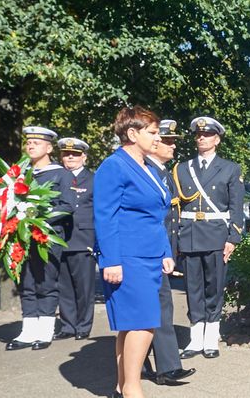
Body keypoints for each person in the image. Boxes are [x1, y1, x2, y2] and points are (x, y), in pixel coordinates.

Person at [94, 106, 174, 398]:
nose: (158, 138)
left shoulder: (149, 168)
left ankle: (121, 387)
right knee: (143, 323)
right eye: (152, 132)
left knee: (131, 325)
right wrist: (111, 260)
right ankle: (132, 388)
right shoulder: (113, 166)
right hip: (127, 257)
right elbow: (105, 217)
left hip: (150, 255)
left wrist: (165, 250)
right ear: (132, 133)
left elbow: (155, 216)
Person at [173, 116, 244, 359]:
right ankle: (195, 339)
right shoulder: (182, 168)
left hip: (216, 234)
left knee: (214, 288)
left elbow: (236, 207)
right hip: (190, 234)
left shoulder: (230, 168)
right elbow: (176, 207)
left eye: (207, 135)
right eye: (199, 135)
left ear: (217, 139)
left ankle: (211, 338)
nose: (201, 138)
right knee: (193, 288)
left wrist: (233, 238)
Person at [6, 126, 75, 351]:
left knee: (45, 283)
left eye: (36, 143)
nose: (31, 146)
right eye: (29, 143)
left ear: (48, 147)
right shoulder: (20, 174)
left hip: (47, 236)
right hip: (22, 237)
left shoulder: (61, 174)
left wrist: (39, 219)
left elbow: (67, 206)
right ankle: (28, 331)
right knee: (26, 283)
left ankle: (45, 331)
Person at [140, 119, 196, 386]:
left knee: (160, 306)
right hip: (147, 252)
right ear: (154, 143)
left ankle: (164, 366)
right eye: (169, 141)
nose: (174, 146)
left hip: (161, 252)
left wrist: (172, 252)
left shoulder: (163, 171)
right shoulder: (145, 170)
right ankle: (154, 366)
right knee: (151, 309)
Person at [54, 137, 96, 341]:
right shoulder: (55, 178)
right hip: (60, 238)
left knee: (84, 287)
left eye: (76, 154)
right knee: (64, 286)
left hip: (83, 238)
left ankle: (83, 326)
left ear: (84, 157)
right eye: (66, 153)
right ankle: (68, 326)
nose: (70, 157)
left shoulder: (94, 179)